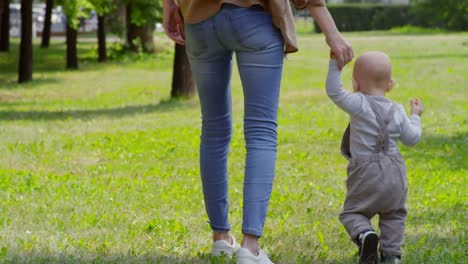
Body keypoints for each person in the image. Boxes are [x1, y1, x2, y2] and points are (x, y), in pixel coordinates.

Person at [163, 0, 353, 263]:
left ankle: (220, 238)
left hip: (199, 21)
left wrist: (168, 4)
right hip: (253, 16)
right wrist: (332, 33)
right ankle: (250, 248)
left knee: (214, 130)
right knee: (261, 131)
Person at [326, 51, 423, 264]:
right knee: (394, 214)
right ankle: (391, 255)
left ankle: (364, 234)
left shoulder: (359, 104)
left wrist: (335, 63)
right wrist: (415, 116)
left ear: (356, 84)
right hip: (395, 174)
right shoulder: (398, 110)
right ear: (390, 85)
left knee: (353, 213)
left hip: (366, 173)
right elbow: (412, 138)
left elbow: (333, 91)